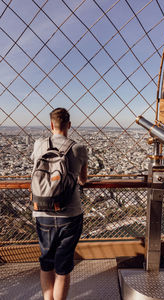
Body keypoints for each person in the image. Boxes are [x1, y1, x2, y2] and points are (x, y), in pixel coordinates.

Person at [31, 108, 88, 300]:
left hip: (42, 212)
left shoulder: (39, 144)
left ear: (51, 125)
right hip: (70, 214)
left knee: (46, 262)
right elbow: (83, 180)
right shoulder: (79, 148)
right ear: (69, 125)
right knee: (62, 267)